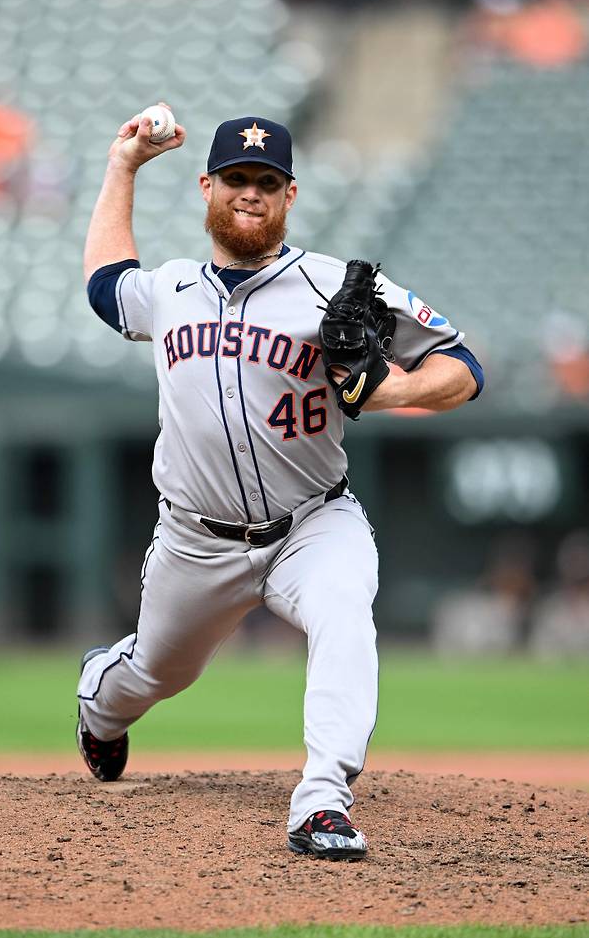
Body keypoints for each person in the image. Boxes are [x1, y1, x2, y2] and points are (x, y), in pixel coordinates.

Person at [76, 107, 484, 859]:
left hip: (312, 522)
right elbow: (105, 285)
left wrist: (387, 391)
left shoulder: (336, 285)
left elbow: (464, 367)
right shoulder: (170, 290)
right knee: (151, 674)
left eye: (267, 181)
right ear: (207, 187)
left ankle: (322, 800)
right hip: (196, 540)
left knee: (343, 610)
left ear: (290, 196)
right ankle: (99, 709)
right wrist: (123, 165)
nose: (250, 193)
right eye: (236, 178)